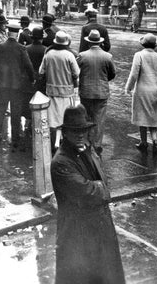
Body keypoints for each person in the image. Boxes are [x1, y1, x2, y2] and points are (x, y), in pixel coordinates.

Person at [50, 105, 126, 284]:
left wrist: (99, 187)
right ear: (65, 133)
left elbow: (101, 181)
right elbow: (88, 193)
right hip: (77, 235)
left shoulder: (88, 150)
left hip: (100, 230)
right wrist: (101, 188)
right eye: (74, 131)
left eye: (83, 131)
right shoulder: (61, 162)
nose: (80, 135)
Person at [0, 20, 35, 149]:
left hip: (1, 83)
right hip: (16, 85)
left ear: (8, 32)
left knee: (0, 108)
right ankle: (15, 136)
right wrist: (31, 78)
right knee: (16, 110)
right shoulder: (21, 48)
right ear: (17, 34)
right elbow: (28, 65)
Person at [39, 30, 80, 153]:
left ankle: (54, 141)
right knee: (64, 117)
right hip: (66, 91)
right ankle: (60, 140)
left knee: (53, 117)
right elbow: (76, 73)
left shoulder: (49, 54)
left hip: (51, 90)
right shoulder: (69, 55)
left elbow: (41, 72)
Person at [77, 29, 116, 155]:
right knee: (99, 119)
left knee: (86, 117)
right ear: (100, 43)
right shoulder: (107, 56)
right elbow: (112, 74)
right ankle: (97, 144)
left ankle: (87, 143)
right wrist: (103, 80)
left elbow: (76, 72)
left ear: (88, 42)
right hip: (101, 92)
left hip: (86, 91)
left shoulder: (82, 56)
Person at [124, 33, 157, 152]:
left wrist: (128, 87)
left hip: (142, 89)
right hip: (155, 89)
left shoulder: (139, 55)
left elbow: (134, 74)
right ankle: (155, 139)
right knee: (153, 115)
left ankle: (143, 142)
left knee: (142, 115)